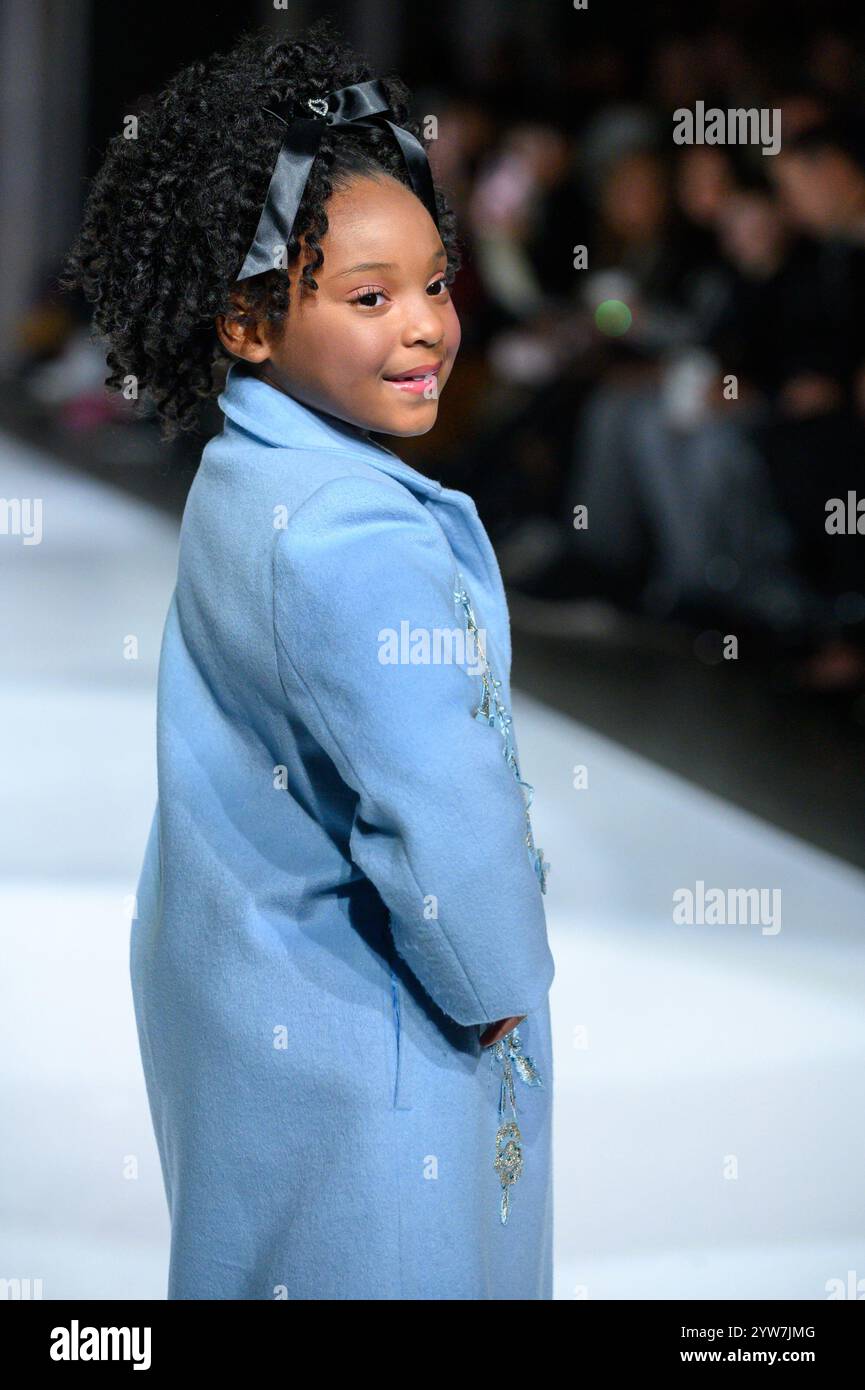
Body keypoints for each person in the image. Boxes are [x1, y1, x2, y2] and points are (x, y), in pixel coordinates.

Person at [60, 19, 555, 1300]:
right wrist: (496, 984)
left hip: (249, 993)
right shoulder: (352, 535)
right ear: (246, 323)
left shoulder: (251, 474)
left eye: (436, 284)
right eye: (369, 297)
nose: (425, 329)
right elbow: (437, 796)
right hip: (370, 1037)